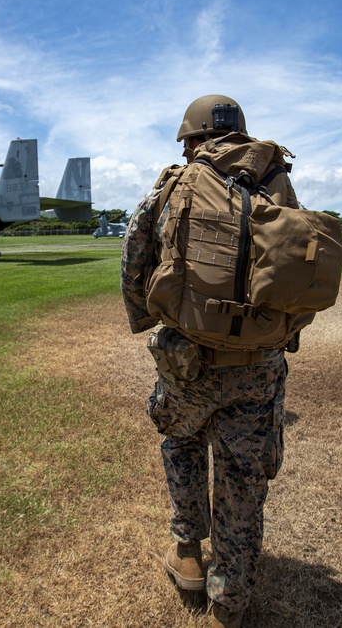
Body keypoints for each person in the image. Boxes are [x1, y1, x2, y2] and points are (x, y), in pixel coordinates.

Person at [121, 94, 302, 628]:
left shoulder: (175, 184)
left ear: (191, 139)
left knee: (180, 442)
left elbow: (133, 259)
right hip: (258, 363)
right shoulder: (277, 183)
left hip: (188, 363)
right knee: (244, 476)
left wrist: (151, 320)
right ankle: (231, 597)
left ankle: (187, 554)